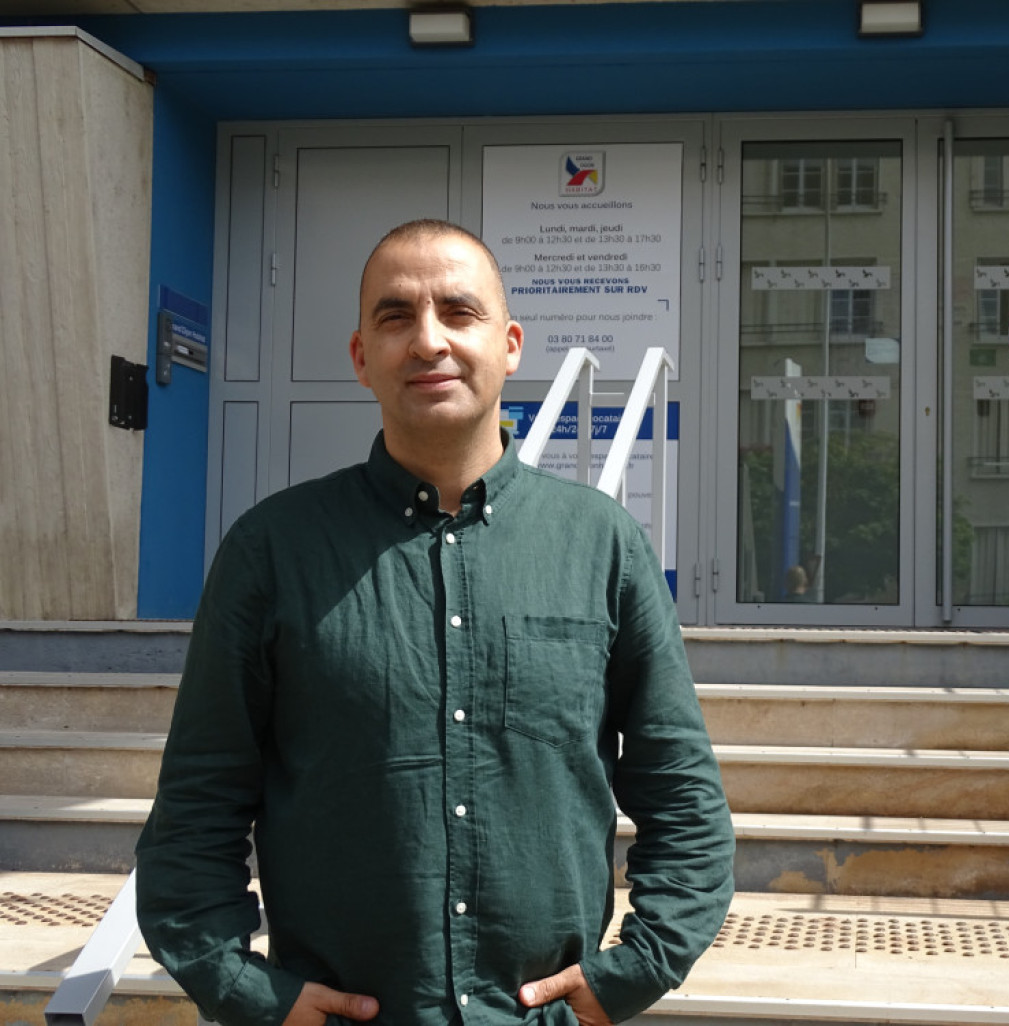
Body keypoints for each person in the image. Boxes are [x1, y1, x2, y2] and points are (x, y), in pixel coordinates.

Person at [135, 219, 735, 1026]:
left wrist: (632, 971)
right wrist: (248, 991)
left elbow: (683, 797)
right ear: (359, 356)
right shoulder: (272, 550)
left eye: (459, 312)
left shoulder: (602, 545)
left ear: (511, 343)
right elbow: (196, 810)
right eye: (395, 317)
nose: (428, 341)